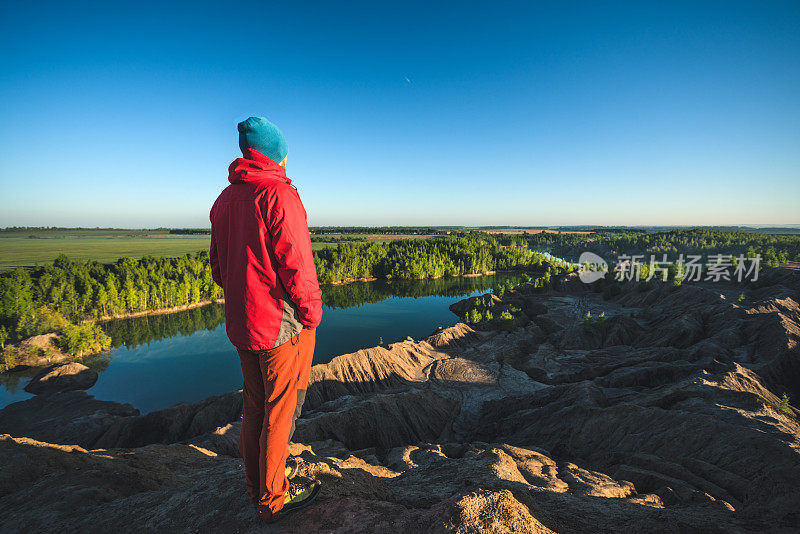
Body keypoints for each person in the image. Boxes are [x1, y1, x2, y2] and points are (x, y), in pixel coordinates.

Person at [209, 116, 323, 522]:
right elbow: (298, 266)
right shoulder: (279, 195)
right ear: (276, 155)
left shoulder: (224, 199)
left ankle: (255, 486)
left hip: (242, 326)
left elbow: (219, 271)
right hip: (280, 327)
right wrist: (311, 315)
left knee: (255, 409)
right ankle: (274, 499)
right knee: (280, 413)